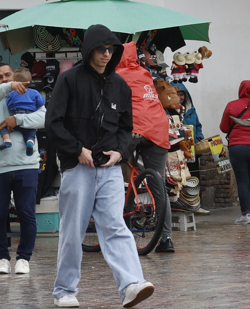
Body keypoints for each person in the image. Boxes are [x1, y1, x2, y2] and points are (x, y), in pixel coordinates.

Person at [46, 25, 155, 309]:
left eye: (111, 50)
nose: (106, 54)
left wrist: (120, 153)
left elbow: (126, 128)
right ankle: (64, 291)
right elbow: (53, 123)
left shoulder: (119, 84)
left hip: (108, 169)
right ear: (89, 49)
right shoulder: (68, 80)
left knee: (116, 226)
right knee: (72, 231)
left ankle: (131, 284)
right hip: (77, 168)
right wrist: (77, 150)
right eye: (101, 49)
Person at [0, 61, 47, 275]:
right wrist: (8, 87)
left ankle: (24, 258)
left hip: (26, 165)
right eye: (0, 77)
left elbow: (44, 118)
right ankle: (1, 259)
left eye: (9, 75)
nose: (6, 79)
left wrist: (16, 119)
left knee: (26, 214)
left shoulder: (31, 94)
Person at [114, 42, 175, 253]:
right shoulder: (145, 72)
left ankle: (112, 231)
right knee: (159, 186)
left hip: (133, 128)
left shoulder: (116, 74)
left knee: (109, 168)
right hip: (158, 129)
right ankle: (166, 238)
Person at [219, 80, 250, 224]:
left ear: (240, 90)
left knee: (242, 181)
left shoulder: (231, 105)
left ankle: (245, 215)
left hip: (238, 147)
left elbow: (224, 127)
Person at [0, 69, 44, 154]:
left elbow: (8, 103)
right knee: (31, 131)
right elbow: (41, 102)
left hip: (15, 117)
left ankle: (7, 140)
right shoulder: (35, 93)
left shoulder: (12, 93)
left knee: (3, 127)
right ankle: (30, 141)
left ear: (15, 82)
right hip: (29, 116)